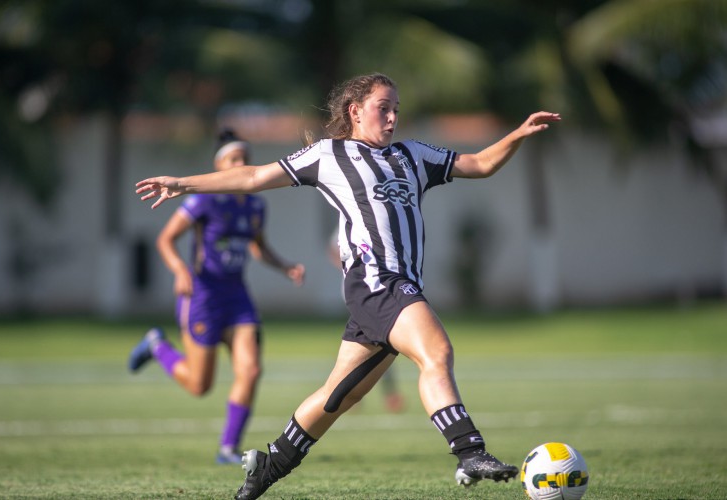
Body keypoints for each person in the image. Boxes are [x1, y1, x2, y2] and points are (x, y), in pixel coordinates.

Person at [135, 73, 561, 499]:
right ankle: (471, 451)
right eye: (383, 108)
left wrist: (518, 134)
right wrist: (181, 183)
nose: (393, 117)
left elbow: (481, 164)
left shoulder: (413, 155)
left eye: (397, 108)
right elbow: (251, 178)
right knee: (437, 351)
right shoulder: (328, 155)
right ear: (355, 112)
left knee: (339, 395)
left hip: (393, 287)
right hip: (377, 282)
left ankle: (267, 467)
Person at [128, 128, 306, 465]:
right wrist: (181, 271)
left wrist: (285, 267)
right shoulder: (202, 200)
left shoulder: (255, 205)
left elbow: (258, 248)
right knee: (199, 385)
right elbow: (165, 240)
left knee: (251, 370)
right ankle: (157, 346)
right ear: (219, 164)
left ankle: (228, 448)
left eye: (245, 159)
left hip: (238, 298)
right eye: (233, 159)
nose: (241, 163)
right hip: (203, 297)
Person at [327, 227, 405, 414]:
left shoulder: (374, 221)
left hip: (377, 291)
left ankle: (347, 393)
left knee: (373, 345)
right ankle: (349, 393)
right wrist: (349, 265)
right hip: (361, 292)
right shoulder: (342, 228)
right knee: (379, 344)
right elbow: (332, 252)